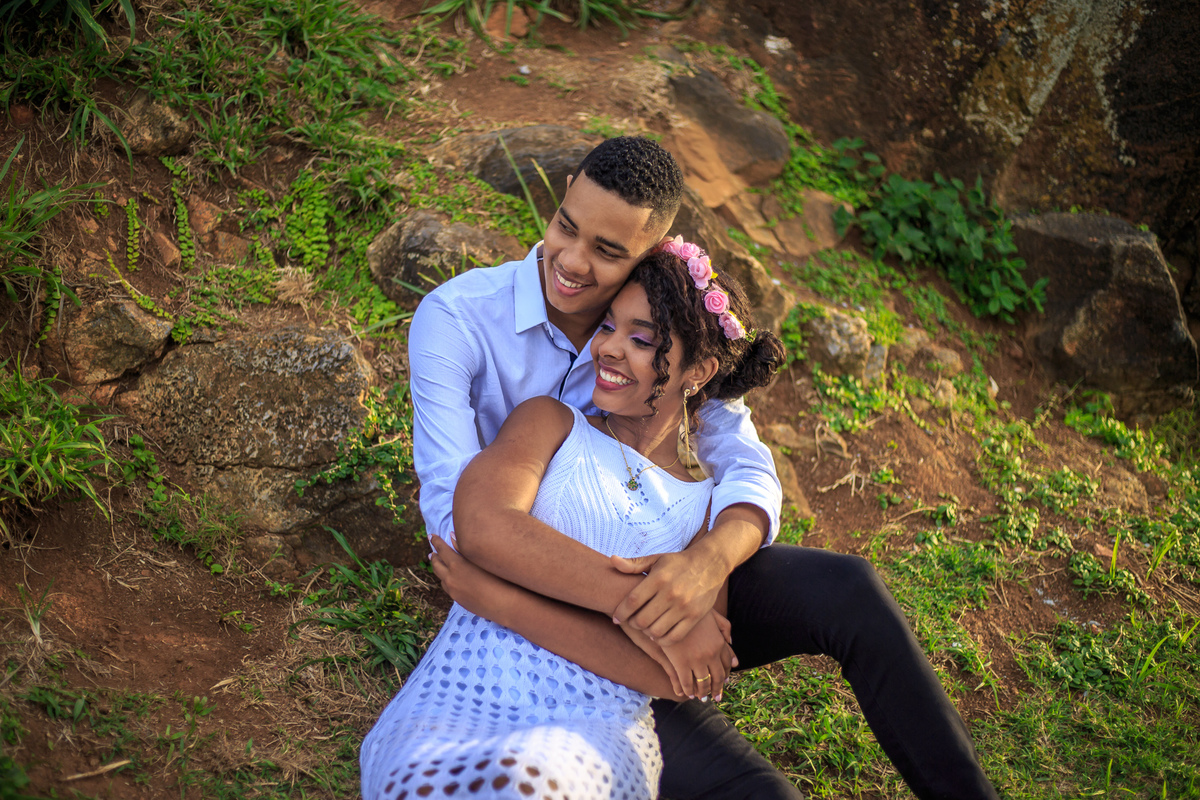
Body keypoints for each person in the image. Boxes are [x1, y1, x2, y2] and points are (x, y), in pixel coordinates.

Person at [398, 135, 999, 800]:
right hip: (542, 576)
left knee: (847, 588)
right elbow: (460, 523)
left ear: (650, 251)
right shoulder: (459, 321)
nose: (570, 261)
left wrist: (704, 566)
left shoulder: (665, 326)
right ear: (563, 195)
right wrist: (657, 609)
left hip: (652, 568)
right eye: (566, 227)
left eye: (607, 251)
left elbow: (745, 466)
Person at [359, 251, 787, 798]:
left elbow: (678, 674)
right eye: (608, 327)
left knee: (529, 778)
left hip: (594, 720)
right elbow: (483, 527)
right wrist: (646, 608)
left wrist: (502, 601)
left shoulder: (706, 512)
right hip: (471, 680)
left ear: (697, 372)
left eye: (641, 339)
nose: (608, 347)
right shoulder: (551, 422)